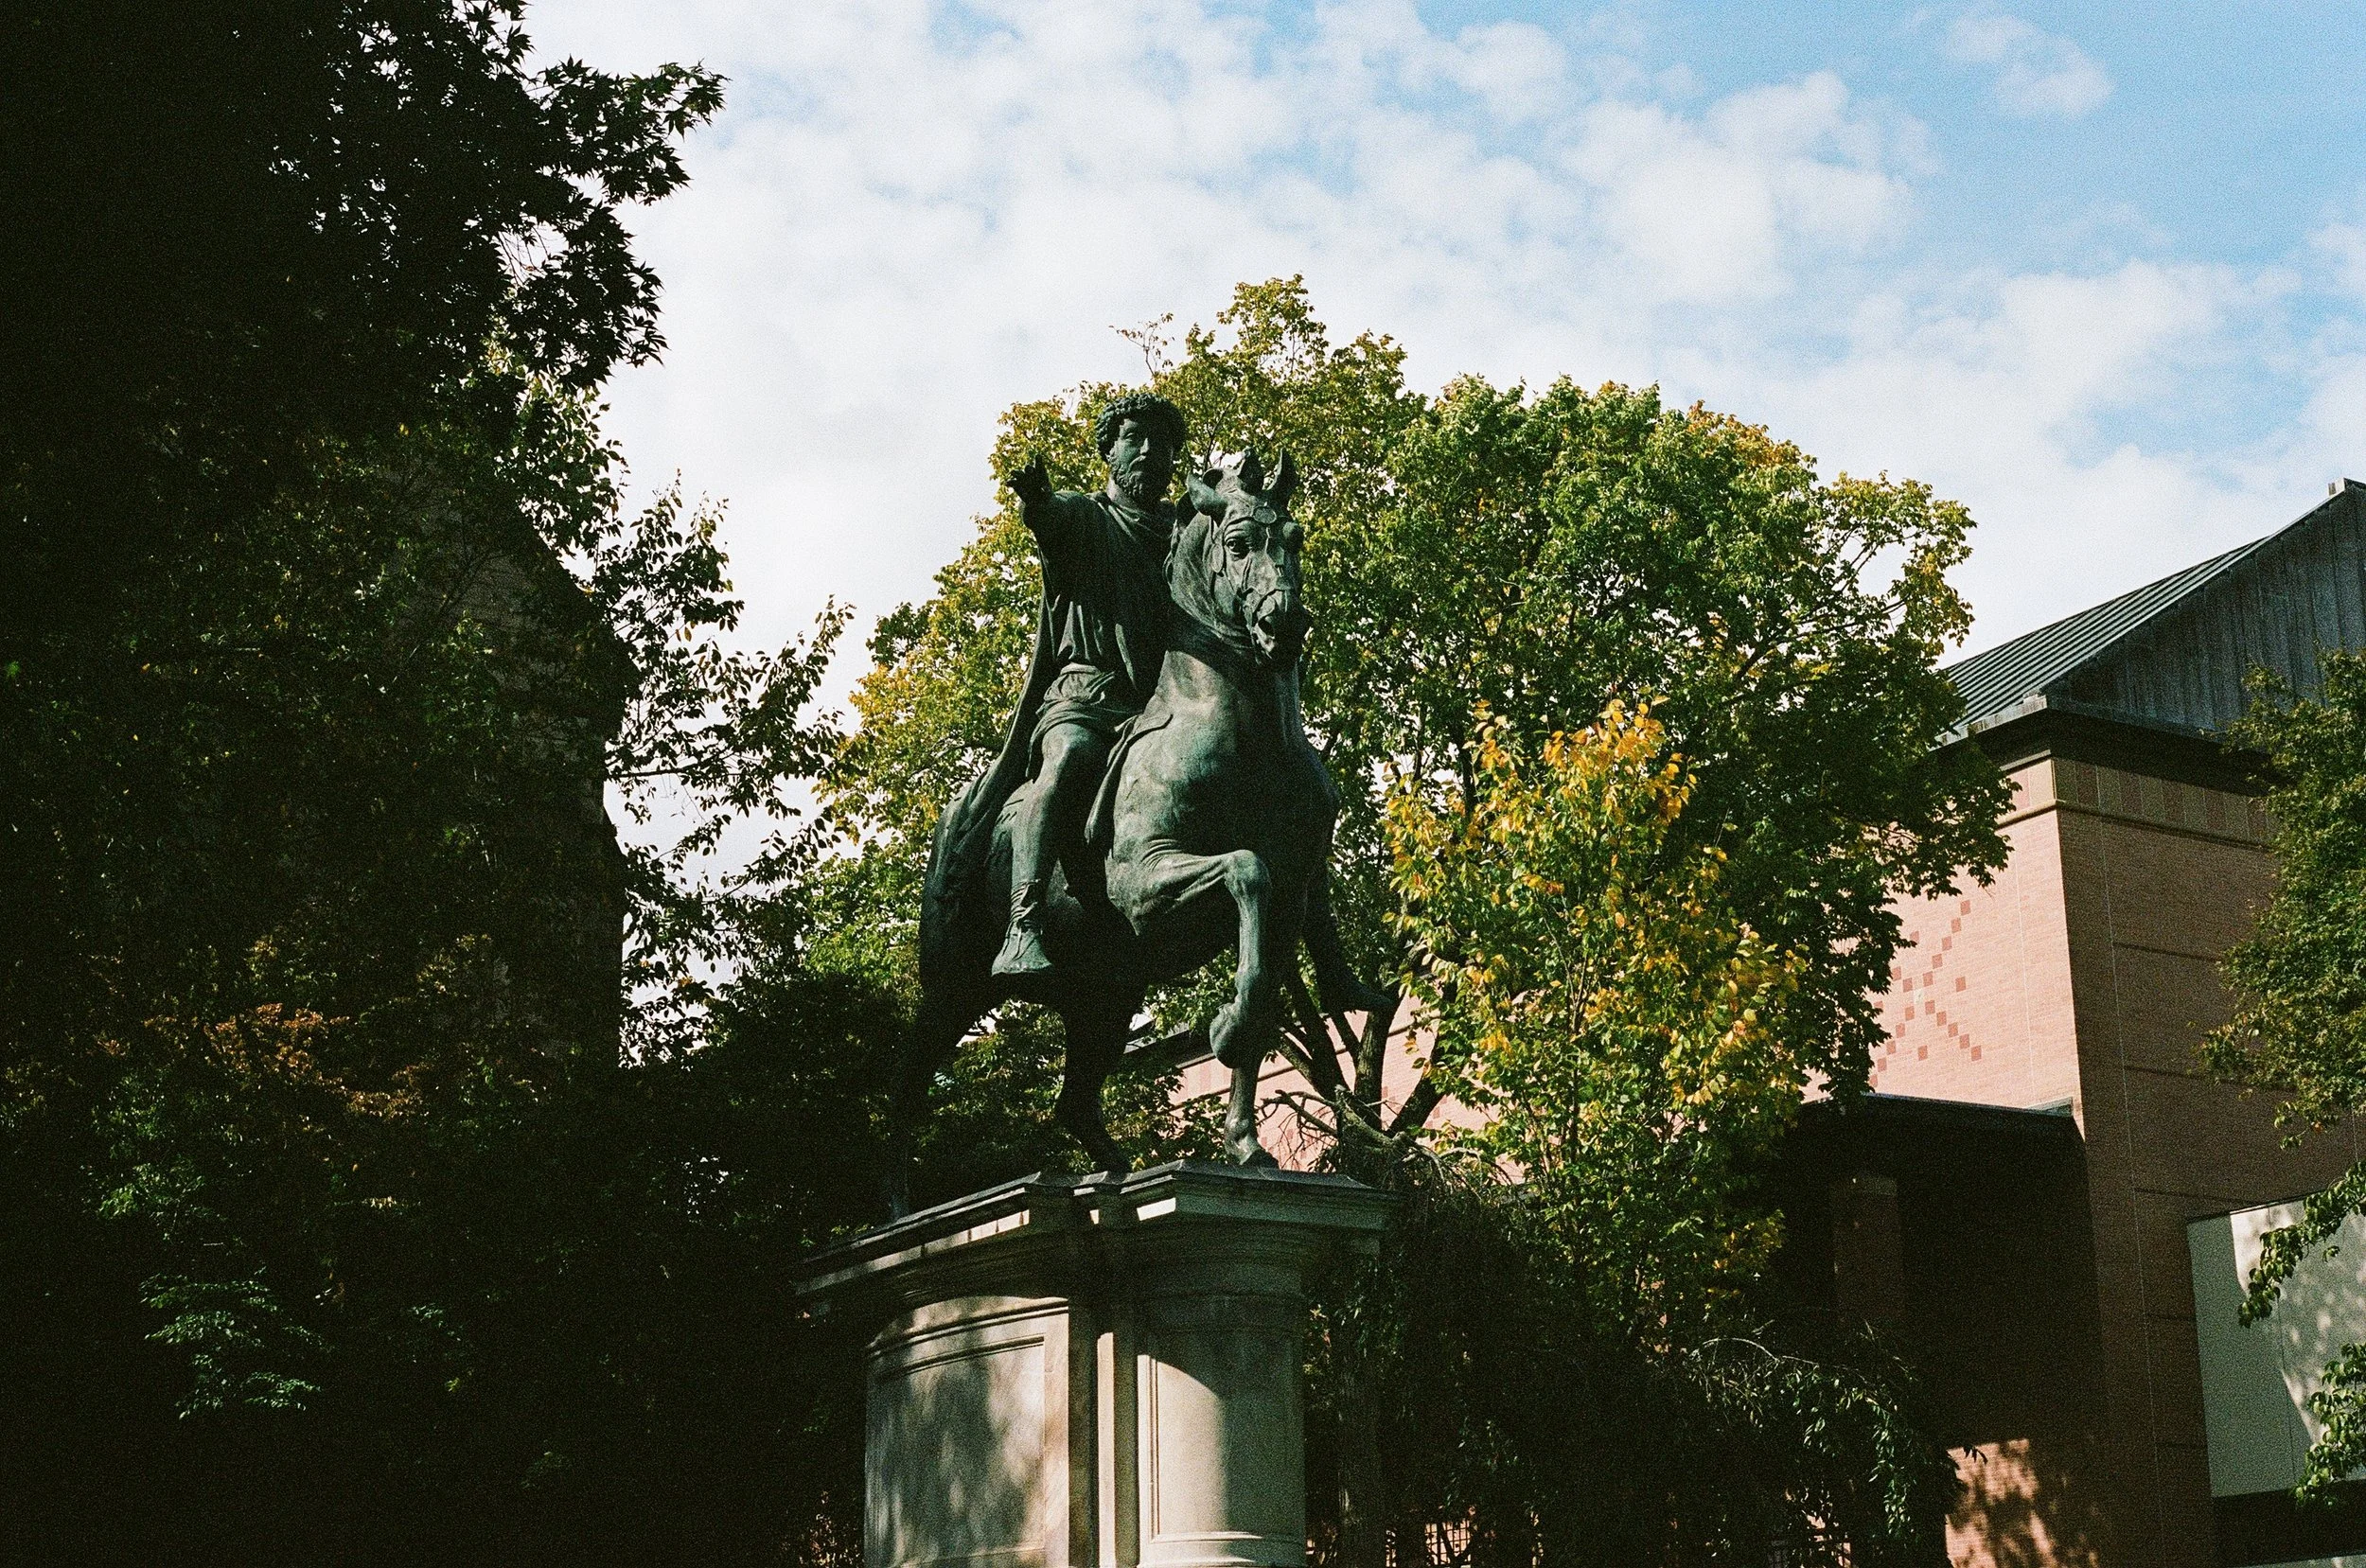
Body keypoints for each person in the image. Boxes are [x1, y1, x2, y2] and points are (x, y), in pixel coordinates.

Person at [989, 391, 1188, 978]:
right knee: (1071, 757)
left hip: (1159, 708)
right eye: (1135, 437)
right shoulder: (1085, 514)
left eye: (1163, 443)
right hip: (1085, 696)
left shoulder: (1183, 532)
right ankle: (1023, 926)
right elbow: (1050, 523)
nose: (1150, 451)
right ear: (1109, 447)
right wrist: (1038, 500)